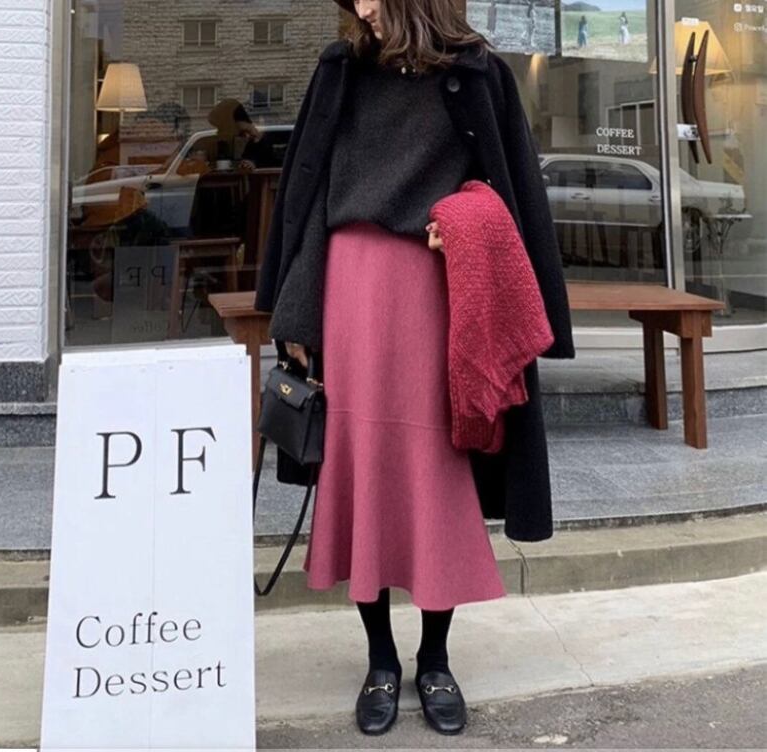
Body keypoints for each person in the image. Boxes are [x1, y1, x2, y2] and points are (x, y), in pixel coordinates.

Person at [255, 0, 575, 737]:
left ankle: (434, 659)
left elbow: (509, 194)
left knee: (436, 474)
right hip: (349, 288)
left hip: (437, 294)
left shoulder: (478, 73)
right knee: (360, 469)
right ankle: (379, 660)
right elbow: (310, 199)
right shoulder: (341, 70)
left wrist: (461, 221)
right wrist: (297, 316)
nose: (362, 6)